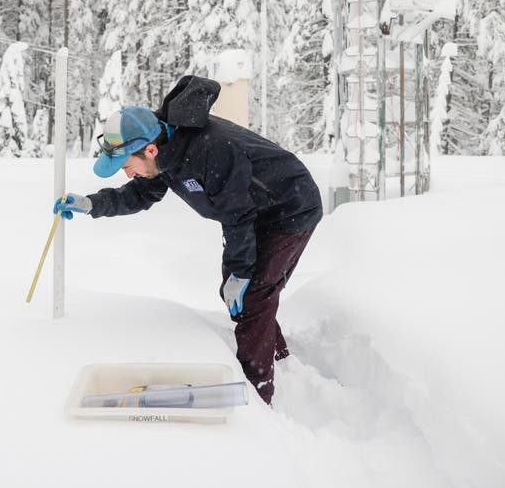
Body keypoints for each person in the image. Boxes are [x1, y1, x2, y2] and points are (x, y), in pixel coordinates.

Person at [53, 75, 323, 404]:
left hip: (289, 207)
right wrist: (92, 204)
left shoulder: (209, 150)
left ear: (149, 149)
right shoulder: (163, 148)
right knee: (243, 292)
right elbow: (141, 194)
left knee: (252, 293)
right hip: (251, 209)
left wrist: (240, 272)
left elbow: (237, 216)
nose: (128, 172)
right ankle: (278, 356)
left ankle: (257, 392)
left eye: (126, 165)